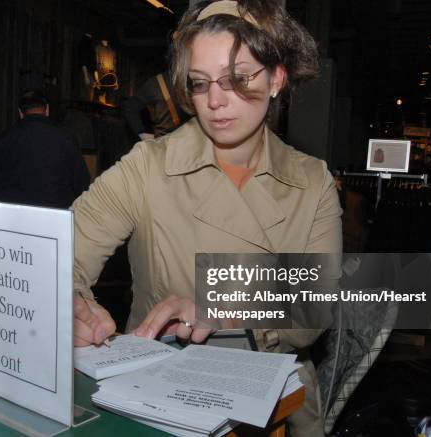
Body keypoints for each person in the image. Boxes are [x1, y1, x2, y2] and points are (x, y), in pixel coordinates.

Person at [71, 1, 342, 435]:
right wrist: (70, 304)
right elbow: (64, 251)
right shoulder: (148, 166)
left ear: (276, 79)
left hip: (272, 408)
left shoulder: (313, 184)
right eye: (200, 84)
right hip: (149, 401)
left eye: (239, 78)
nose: (215, 101)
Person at [0, 90, 89, 208]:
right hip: (56, 216)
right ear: (47, 110)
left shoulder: (2, 140)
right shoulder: (66, 139)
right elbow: (82, 183)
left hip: (13, 218)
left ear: (21, 113)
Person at [122, 71, 189, 140]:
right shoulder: (157, 83)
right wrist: (141, 133)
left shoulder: (194, 80)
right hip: (164, 144)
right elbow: (130, 107)